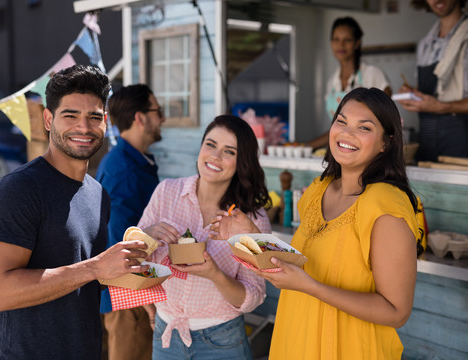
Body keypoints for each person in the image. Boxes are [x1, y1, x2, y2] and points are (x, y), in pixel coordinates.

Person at [0, 65, 152, 360]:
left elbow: (84, 282)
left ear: (105, 122)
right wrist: (95, 267)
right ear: (48, 120)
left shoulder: (98, 194)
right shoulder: (19, 189)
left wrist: (142, 280)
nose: (83, 128)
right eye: (70, 115)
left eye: (94, 117)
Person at [256, 88, 425, 359]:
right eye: (342, 121)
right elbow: (303, 262)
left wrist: (309, 286)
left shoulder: (386, 207)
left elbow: (396, 312)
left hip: (350, 349)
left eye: (364, 127)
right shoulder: (318, 190)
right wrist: (246, 234)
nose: (347, 133)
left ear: (386, 143)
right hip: (296, 340)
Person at [137, 115, 272, 359]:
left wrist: (215, 274)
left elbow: (253, 298)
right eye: (210, 144)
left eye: (229, 151)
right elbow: (134, 264)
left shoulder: (252, 220)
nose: (215, 156)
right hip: (166, 337)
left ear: (242, 162)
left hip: (222, 343)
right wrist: (145, 237)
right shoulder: (166, 192)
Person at [97, 84, 165, 360]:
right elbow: (121, 245)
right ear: (140, 118)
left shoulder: (135, 160)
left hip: (138, 290)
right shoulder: (123, 170)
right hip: (131, 296)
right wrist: (147, 302)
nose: (162, 118)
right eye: (157, 111)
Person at [396, 0, 468, 161]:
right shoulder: (425, 43)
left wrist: (443, 107)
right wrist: (413, 94)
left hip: (463, 146)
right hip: (427, 146)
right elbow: (434, 89)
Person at [307, 17, 392, 150]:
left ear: (357, 43)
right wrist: (305, 146)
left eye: (347, 40)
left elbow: (387, 117)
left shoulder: (372, 74)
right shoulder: (332, 82)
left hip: (368, 151)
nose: (340, 45)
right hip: (342, 148)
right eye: (336, 39)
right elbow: (337, 128)